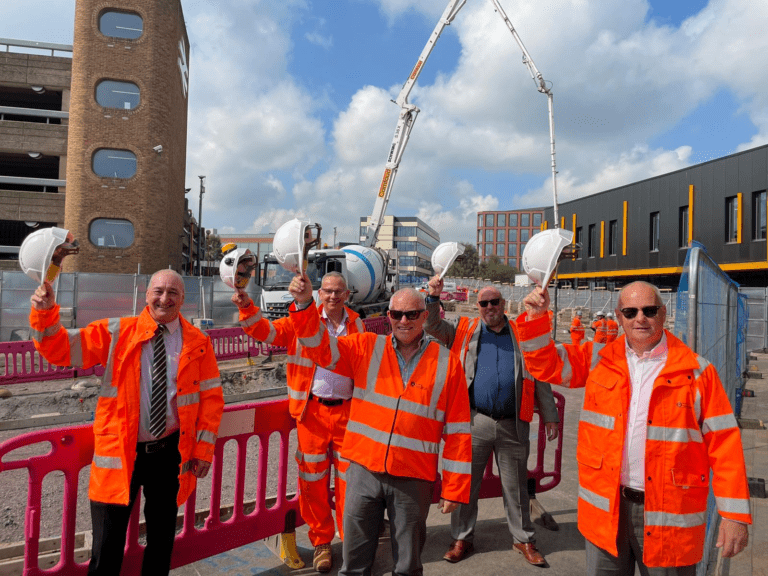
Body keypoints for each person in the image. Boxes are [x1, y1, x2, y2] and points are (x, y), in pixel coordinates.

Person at [520, 281, 751, 575]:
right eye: (630, 312)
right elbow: (545, 364)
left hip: (667, 516)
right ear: (619, 317)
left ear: (663, 314)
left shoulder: (696, 372)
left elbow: (726, 445)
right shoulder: (597, 361)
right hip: (607, 510)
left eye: (649, 310)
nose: (639, 318)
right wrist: (537, 318)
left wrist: (734, 515)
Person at [29, 270, 223, 576]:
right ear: (146, 295)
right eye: (158, 291)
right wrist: (44, 312)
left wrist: (203, 450)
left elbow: (212, 399)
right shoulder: (118, 331)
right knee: (106, 547)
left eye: (173, 292)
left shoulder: (198, 342)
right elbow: (59, 348)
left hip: (170, 454)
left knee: (160, 542)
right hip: (119, 454)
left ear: (182, 299)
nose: (165, 298)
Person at [288, 275, 472, 576]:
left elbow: (458, 430)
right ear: (388, 317)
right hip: (363, 470)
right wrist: (306, 304)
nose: (404, 320)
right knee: (355, 560)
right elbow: (320, 349)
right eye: (397, 314)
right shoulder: (365, 347)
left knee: (407, 563)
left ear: (425, 316)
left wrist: (454, 488)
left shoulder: (446, 362)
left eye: (412, 314)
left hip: (413, 476)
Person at [231, 271, 364, 573]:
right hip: (313, 413)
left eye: (338, 292)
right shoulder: (300, 320)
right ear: (319, 294)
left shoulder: (357, 324)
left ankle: (351, 540)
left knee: (351, 481)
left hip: (349, 412)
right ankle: (322, 543)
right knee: (313, 481)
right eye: (327, 291)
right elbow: (264, 332)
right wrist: (246, 306)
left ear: (347, 296)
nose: (332, 296)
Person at [424, 277, 559, 566]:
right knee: (466, 483)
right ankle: (462, 538)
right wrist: (433, 299)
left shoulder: (522, 333)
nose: (489, 307)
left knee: (516, 487)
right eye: (484, 303)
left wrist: (550, 415)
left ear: (503, 304)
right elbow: (432, 326)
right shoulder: (465, 330)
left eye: (494, 302)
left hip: (513, 422)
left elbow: (541, 374)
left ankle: (523, 539)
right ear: (478, 306)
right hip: (474, 421)